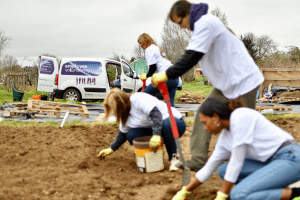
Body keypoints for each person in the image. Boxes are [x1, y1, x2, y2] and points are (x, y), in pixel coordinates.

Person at [151, 0, 264, 171]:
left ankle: (258, 160)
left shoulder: (206, 23)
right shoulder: (202, 28)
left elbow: (191, 56)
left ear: (188, 14)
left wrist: (166, 74)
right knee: (203, 113)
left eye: (180, 22)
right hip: (227, 84)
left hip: (244, 81)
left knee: (243, 124)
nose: (181, 27)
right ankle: (197, 161)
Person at [172, 96, 300, 200]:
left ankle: (295, 193)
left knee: (238, 195)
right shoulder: (225, 137)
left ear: (215, 118)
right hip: (271, 162)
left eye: (205, 123)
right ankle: (273, 189)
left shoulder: (240, 117)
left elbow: (237, 161)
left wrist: (222, 195)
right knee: (223, 170)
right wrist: (184, 192)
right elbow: (208, 168)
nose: (205, 128)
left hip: (291, 158)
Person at [97, 88, 186, 171]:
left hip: (175, 124)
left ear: (120, 104)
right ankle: (154, 156)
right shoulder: (125, 115)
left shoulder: (137, 99)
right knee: (132, 135)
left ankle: (173, 159)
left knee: (167, 124)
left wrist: (156, 135)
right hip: (158, 128)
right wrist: (111, 148)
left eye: (114, 109)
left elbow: (156, 114)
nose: (114, 112)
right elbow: (122, 134)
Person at [138, 33, 179, 107]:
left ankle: (151, 115)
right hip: (175, 77)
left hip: (166, 77)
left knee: (144, 95)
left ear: (146, 41)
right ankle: (174, 118)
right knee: (170, 105)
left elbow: (152, 68)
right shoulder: (155, 47)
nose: (140, 46)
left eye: (141, 43)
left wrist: (146, 76)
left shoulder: (149, 49)